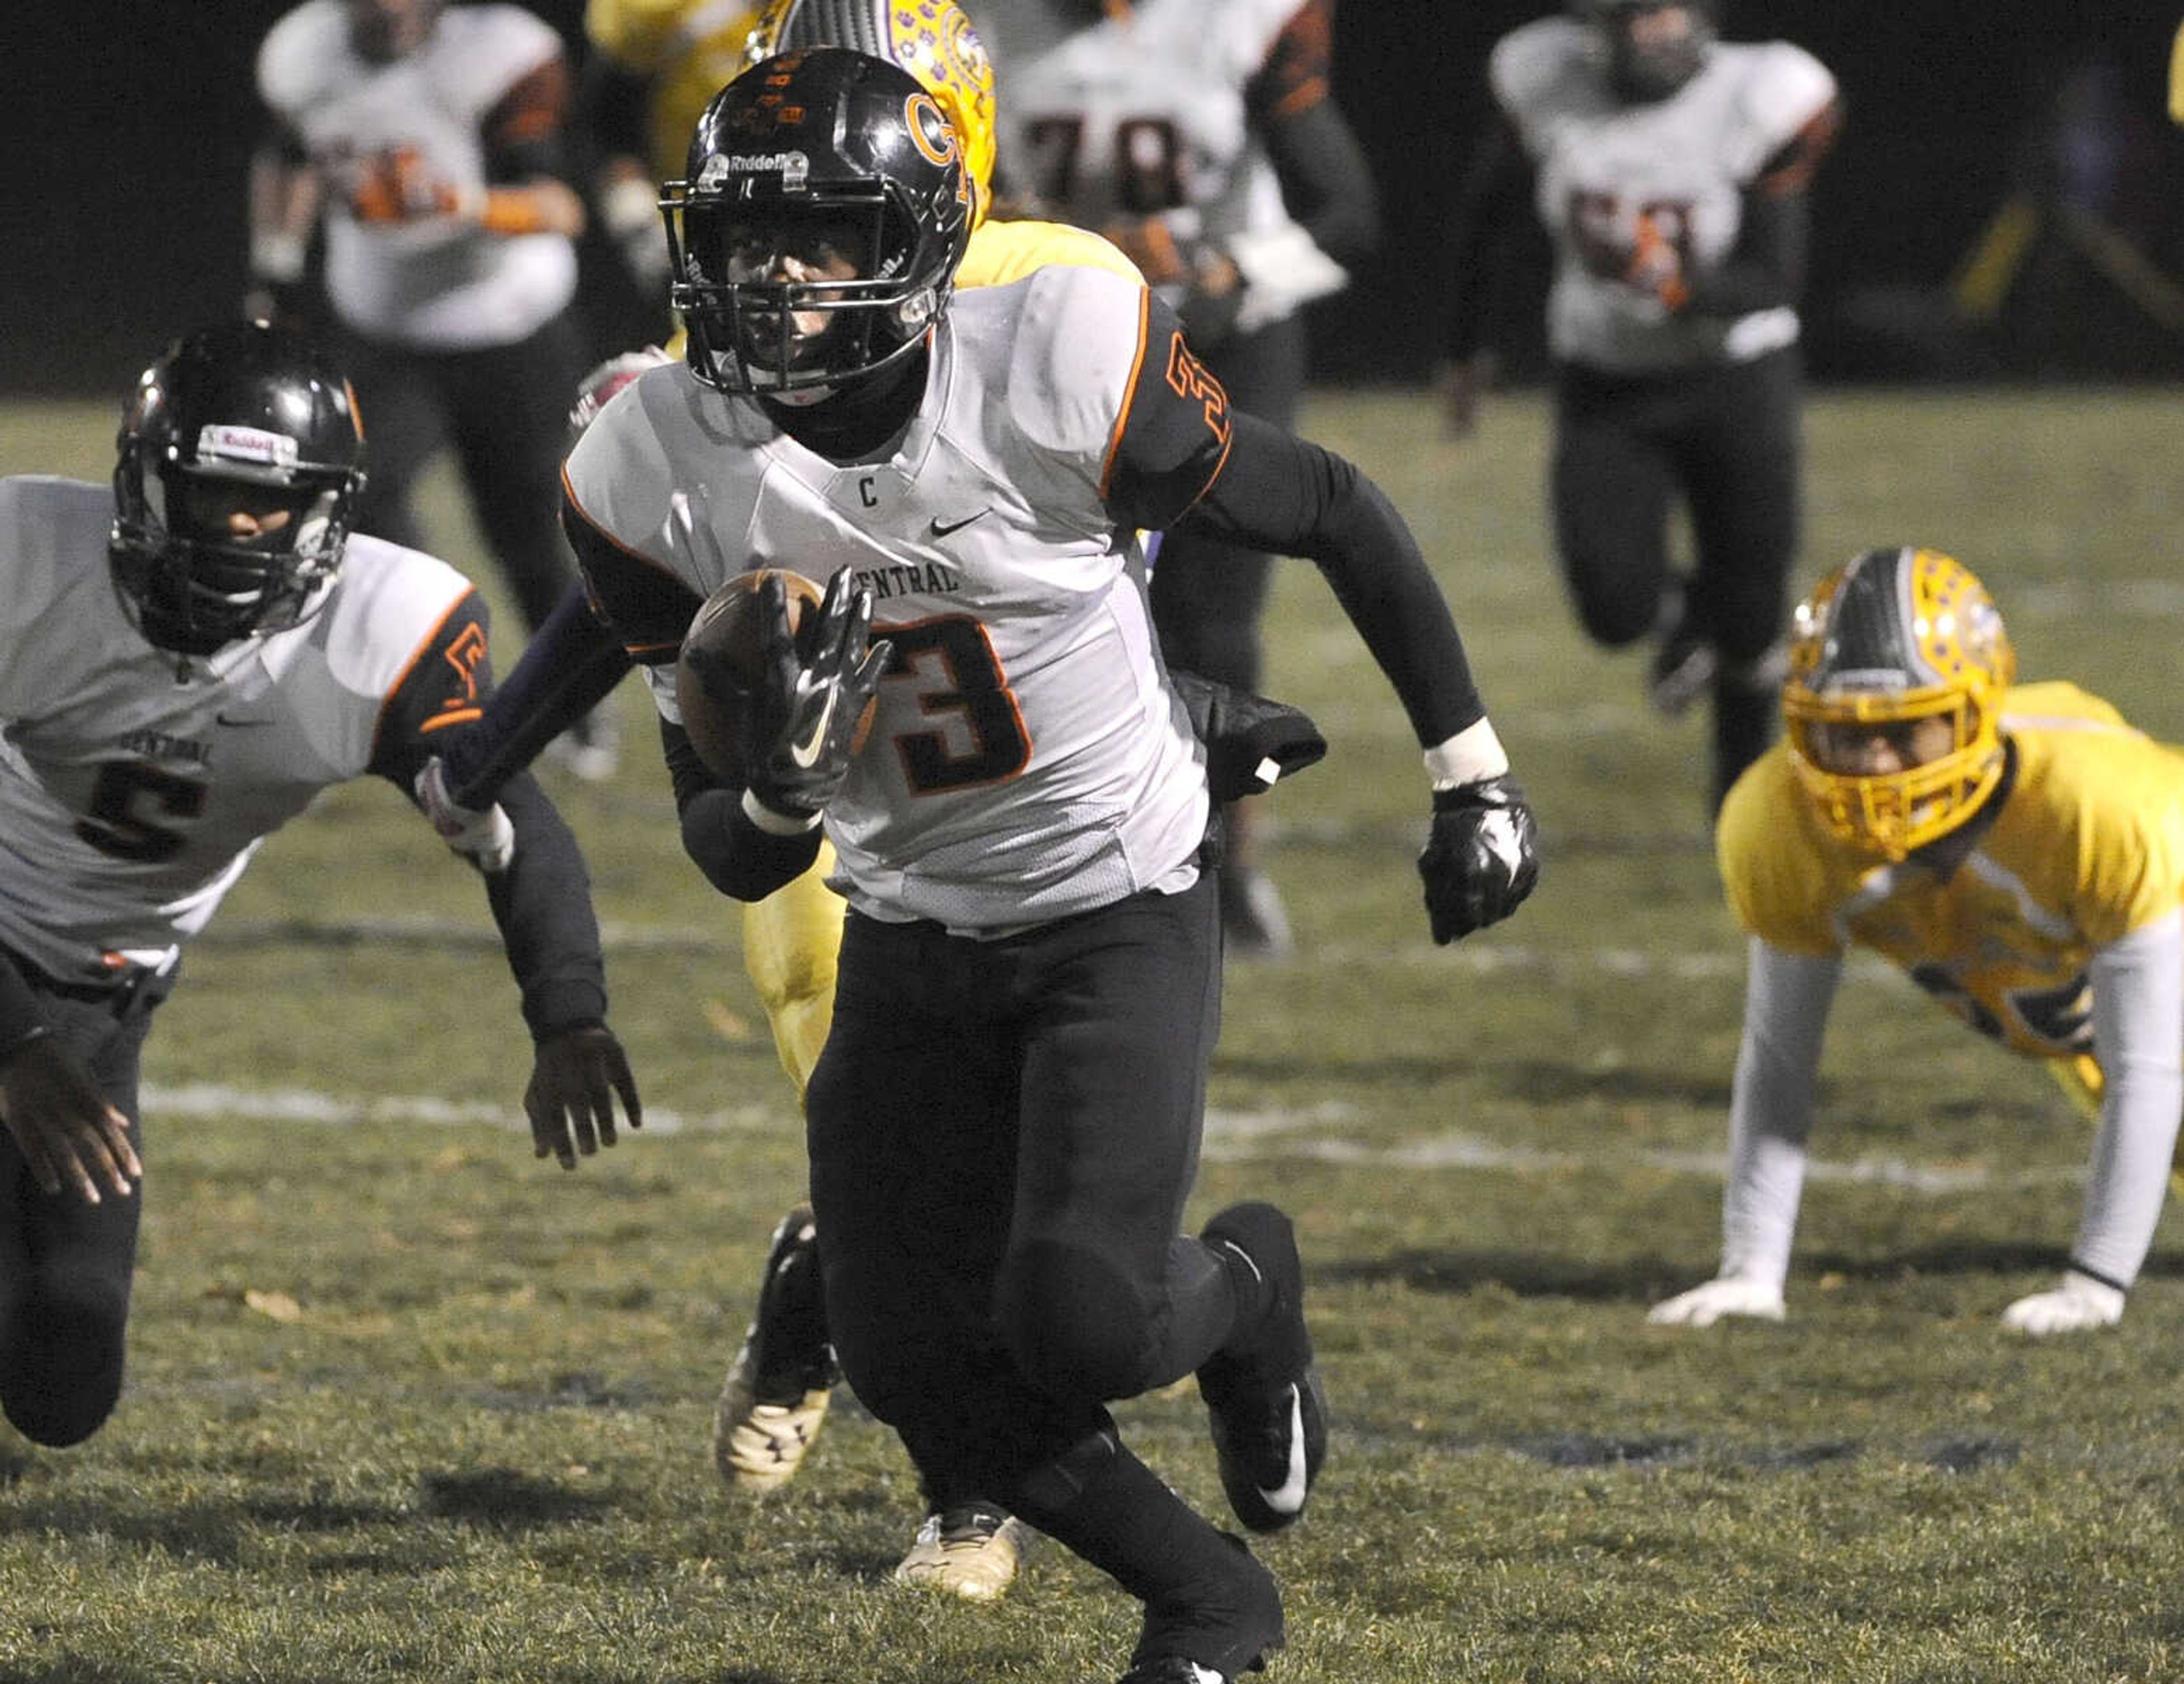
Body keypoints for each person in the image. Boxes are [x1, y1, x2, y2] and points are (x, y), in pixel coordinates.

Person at [553, 48, 1537, 1683]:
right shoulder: (645, 465)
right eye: (749, 238)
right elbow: (724, 848)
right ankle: (1210, 1593)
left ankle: (1246, 1281)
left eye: (830, 235)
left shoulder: (1055, 351)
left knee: (1082, 1320)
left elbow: (1337, 510)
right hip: (909, 925)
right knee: (899, 1349)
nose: (780, 280)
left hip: (1113, 902)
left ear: (929, 241)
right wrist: (786, 791)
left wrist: (1473, 774)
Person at [422, 0, 1312, 1605]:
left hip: (1036, 781)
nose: (798, 229)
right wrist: (493, 751)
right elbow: (639, 581)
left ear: (949, 153)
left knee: (1007, 1224)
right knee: (872, 1092)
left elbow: (1083, 590)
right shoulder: (757, 311)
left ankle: (888, 1350)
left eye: (854, 161)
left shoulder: (1060, 297)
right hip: (842, 786)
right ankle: (953, 1472)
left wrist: (1199, 722)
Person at [0, 320, 642, 1452]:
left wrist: (569, 1009)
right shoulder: (24, 556)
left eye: (276, 502)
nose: (245, 530)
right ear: (146, 485)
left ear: (332, 506)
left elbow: (506, 814)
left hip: (104, 992)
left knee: (63, 1375)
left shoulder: (381, 627)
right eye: (214, 496)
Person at [1649, 545, 2184, 1338]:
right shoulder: (1780, 821)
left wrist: (2094, 1286)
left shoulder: (2102, 809)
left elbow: (2149, 1063)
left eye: (1903, 731)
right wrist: (1752, 1273)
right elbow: (1779, 1057)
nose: (1872, 764)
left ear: (1974, 712)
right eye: (1842, 733)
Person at [983, 0, 1381, 958]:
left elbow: (1346, 212)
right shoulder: (979, 25)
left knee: (1210, 619)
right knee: (1033, 599)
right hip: (1055, 336)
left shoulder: (1235, 22)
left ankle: (1228, 858)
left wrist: (1227, 275)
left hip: (1222, 345)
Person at [1439, 0, 1841, 816]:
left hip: (1737, 374)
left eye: (1671, 11)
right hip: (1607, 380)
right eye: (1639, 14)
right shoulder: (1547, 81)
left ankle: (1742, 805)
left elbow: (1774, 277)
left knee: (1752, 617)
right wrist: (1466, 345)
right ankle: (1685, 619)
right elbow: (1489, 214)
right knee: (1613, 604)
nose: (1658, 32)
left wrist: (1683, 287)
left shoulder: (1759, 94)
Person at [249, 0, 622, 779]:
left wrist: (461, 205)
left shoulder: (500, 55)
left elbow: (561, 208)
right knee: (358, 498)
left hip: (508, 325)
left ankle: (577, 716)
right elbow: (290, 155)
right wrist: (277, 265)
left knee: (523, 527)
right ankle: (442, 670)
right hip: (384, 329)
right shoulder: (304, 52)